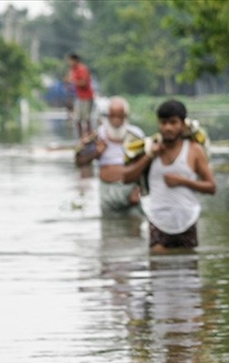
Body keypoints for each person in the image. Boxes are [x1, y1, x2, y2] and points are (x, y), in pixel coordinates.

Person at [122, 99, 217, 252]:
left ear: (183, 124)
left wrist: (183, 181)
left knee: (189, 268)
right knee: (158, 264)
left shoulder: (194, 150)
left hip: (188, 219)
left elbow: (211, 187)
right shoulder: (149, 148)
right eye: (164, 123)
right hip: (157, 220)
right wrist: (149, 156)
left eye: (173, 123)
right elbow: (126, 178)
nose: (168, 128)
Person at [81, 96, 146, 217]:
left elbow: (145, 165)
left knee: (134, 227)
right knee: (109, 231)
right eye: (112, 116)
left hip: (130, 191)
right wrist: (97, 152)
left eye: (120, 116)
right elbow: (80, 161)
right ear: (108, 116)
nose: (116, 121)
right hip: (107, 192)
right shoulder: (98, 134)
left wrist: (138, 190)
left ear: (126, 116)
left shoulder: (136, 134)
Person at [65, 52, 95, 139]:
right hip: (79, 97)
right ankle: (81, 139)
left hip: (86, 97)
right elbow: (67, 80)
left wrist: (73, 81)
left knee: (86, 119)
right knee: (77, 119)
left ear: (75, 61)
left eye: (70, 61)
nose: (69, 63)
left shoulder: (82, 69)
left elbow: (84, 83)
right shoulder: (73, 70)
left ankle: (89, 138)